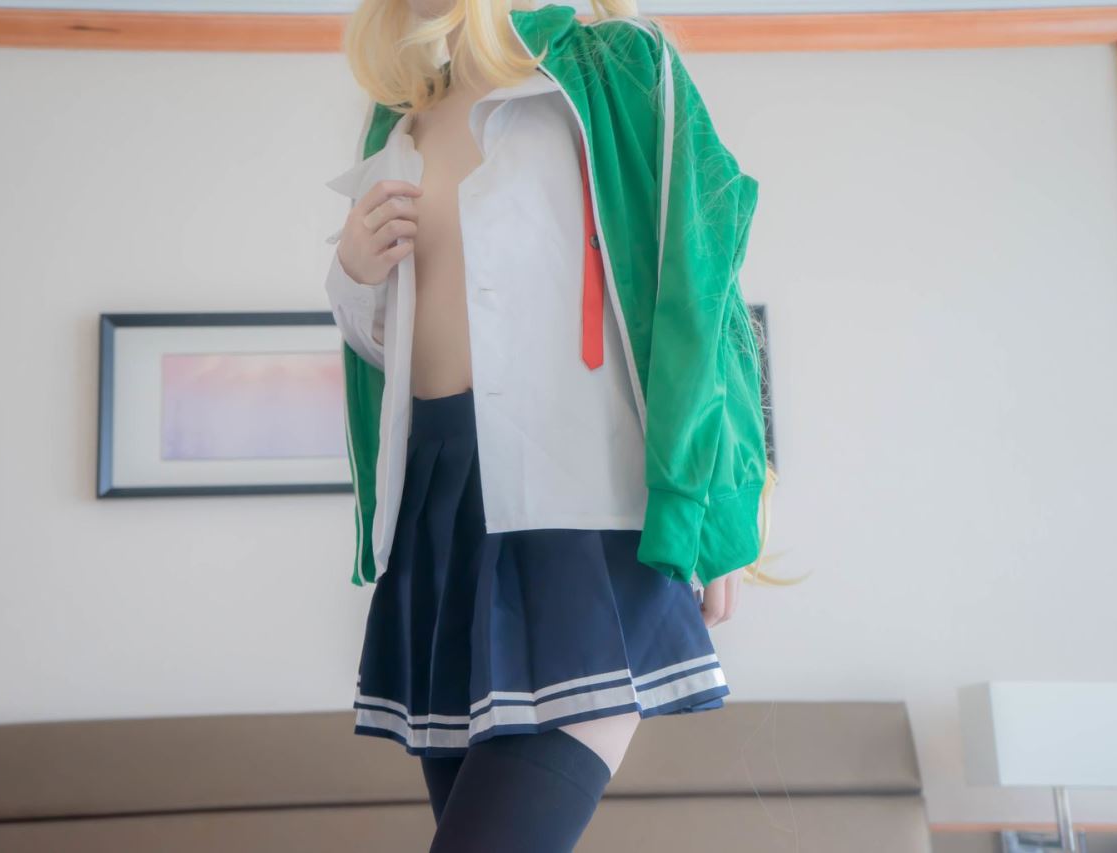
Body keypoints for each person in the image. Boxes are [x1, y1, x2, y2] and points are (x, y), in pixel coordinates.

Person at [322, 0, 778, 848]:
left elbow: (699, 282)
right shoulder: (401, 115)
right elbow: (392, 354)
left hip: (581, 522)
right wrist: (351, 270)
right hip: (439, 516)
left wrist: (718, 509)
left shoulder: (614, 67)